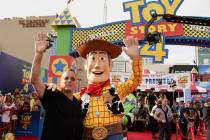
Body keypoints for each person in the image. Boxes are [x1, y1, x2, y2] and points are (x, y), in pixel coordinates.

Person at [30, 32, 83, 140]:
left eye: (72, 79)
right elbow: (34, 80)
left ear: (75, 83)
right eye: (66, 78)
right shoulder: (51, 95)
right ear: (60, 82)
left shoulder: (78, 103)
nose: (69, 80)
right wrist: (38, 53)